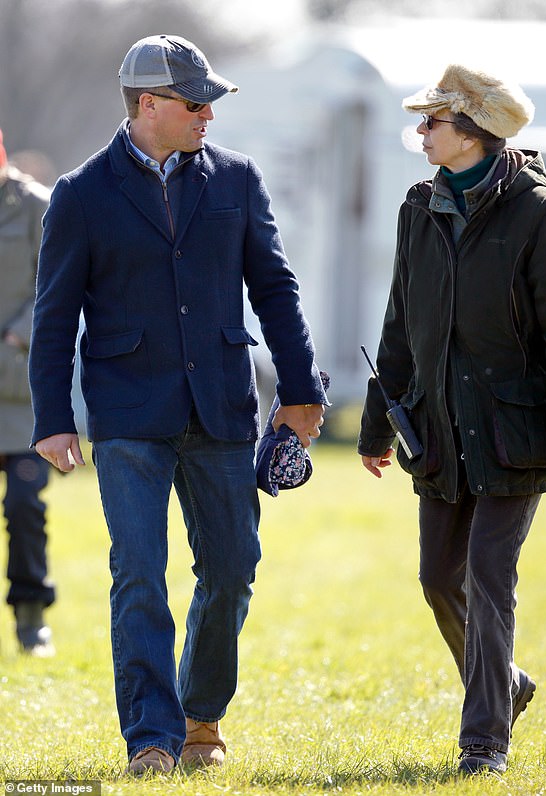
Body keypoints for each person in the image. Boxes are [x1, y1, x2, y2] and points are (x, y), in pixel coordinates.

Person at [29, 34, 327, 775]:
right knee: (138, 573)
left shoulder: (238, 180)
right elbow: (54, 313)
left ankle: (203, 717)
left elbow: (277, 290)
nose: (209, 116)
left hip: (223, 406)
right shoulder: (80, 193)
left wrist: (301, 392)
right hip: (128, 413)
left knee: (231, 569)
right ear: (149, 104)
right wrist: (51, 417)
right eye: (197, 103)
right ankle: (154, 740)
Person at [358, 64, 546, 776]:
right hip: (438, 431)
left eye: (432, 122)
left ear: (474, 133)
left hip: (515, 430)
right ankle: (507, 685)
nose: (421, 133)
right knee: (439, 578)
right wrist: (376, 424)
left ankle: (483, 743)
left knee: (491, 577)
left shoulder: (540, 208)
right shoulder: (416, 206)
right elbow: (400, 320)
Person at [0, 128, 55, 657]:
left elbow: (56, 284)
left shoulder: (36, 206)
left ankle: (31, 615)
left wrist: (19, 335)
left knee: (23, 506)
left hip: (19, 393)